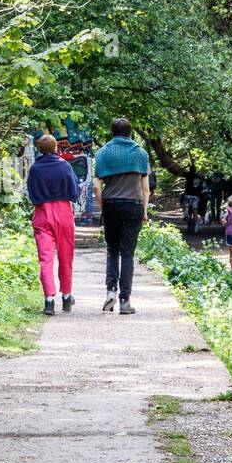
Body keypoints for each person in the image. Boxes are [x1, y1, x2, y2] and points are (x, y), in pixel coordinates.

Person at [94, 117, 150, 315]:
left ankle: (110, 293)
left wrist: (104, 205)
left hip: (112, 206)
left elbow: (96, 186)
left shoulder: (102, 153)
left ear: (112, 132)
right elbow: (145, 188)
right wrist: (144, 211)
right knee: (128, 254)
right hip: (134, 206)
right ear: (130, 132)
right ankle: (125, 302)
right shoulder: (140, 154)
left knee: (112, 251)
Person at [26, 133, 78, 316]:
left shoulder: (35, 168)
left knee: (45, 258)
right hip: (63, 213)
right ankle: (66, 297)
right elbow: (74, 190)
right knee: (66, 256)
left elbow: (31, 193)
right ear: (56, 148)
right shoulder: (65, 166)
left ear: (39, 149)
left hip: (42, 214)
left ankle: (49, 300)